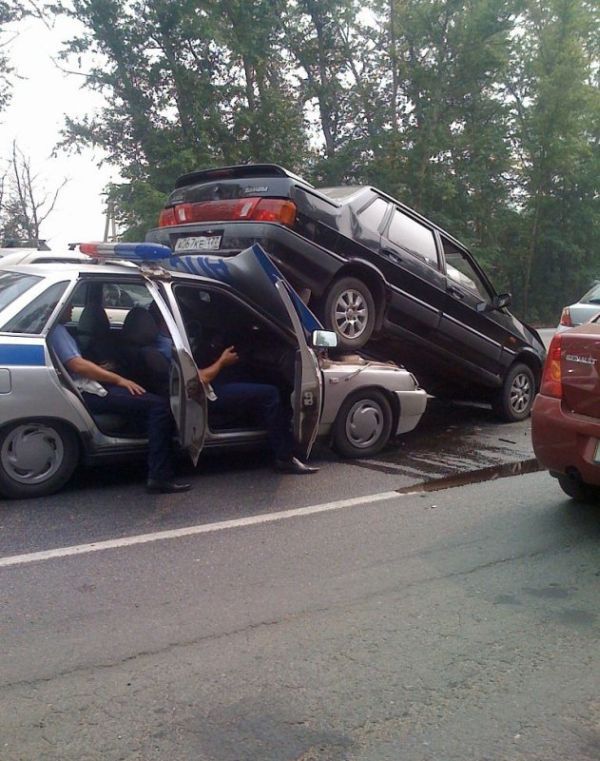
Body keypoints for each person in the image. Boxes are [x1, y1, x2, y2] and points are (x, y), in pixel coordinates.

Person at [150, 304, 318, 475]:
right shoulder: (166, 347)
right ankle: (285, 457)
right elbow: (195, 381)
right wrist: (222, 362)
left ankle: (261, 428)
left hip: (206, 386)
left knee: (243, 373)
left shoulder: (161, 340)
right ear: (165, 320)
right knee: (270, 394)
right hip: (203, 394)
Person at [49, 304, 191, 494]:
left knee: (143, 401)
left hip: (83, 386)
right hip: (89, 392)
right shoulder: (57, 331)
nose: (73, 307)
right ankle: (159, 476)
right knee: (159, 406)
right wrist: (119, 379)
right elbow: (77, 365)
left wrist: (102, 369)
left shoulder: (57, 330)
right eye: (69, 304)